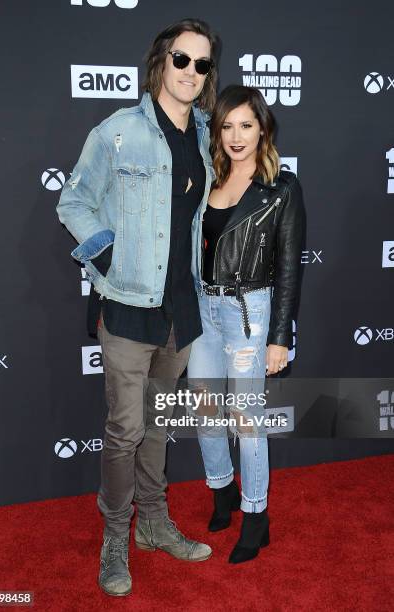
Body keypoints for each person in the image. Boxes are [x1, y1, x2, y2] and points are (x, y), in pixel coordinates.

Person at [56, 18, 220, 597]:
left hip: (181, 307)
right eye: (182, 60)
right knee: (125, 431)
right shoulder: (118, 131)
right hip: (128, 306)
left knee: (156, 429)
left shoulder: (205, 132)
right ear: (160, 61)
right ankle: (116, 537)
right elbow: (73, 200)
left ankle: (154, 524)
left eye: (202, 65)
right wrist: (109, 257)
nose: (192, 74)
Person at [187, 84, 305, 564]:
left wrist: (280, 337)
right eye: (227, 125)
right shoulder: (207, 176)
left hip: (249, 315)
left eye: (246, 125)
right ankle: (222, 492)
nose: (236, 136)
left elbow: (290, 267)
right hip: (203, 312)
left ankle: (257, 516)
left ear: (263, 128)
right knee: (204, 408)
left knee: (246, 421)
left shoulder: (281, 187)